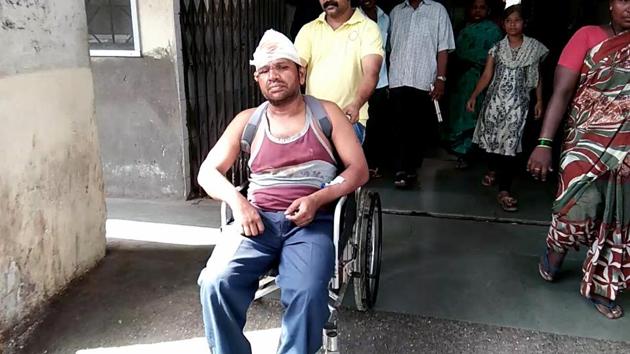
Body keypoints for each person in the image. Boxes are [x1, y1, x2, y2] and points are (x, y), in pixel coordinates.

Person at [196, 29, 369, 354]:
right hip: (255, 221)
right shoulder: (248, 120)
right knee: (215, 282)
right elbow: (207, 171)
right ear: (257, 79)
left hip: (311, 224)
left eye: (282, 67)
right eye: (264, 70)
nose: (272, 76)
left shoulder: (326, 113)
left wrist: (317, 199)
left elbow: (358, 170)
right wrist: (239, 202)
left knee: (306, 292)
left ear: (300, 73)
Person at [530, 0, 630, 320]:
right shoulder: (587, 36)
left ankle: (604, 285)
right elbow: (561, 92)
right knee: (576, 210)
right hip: (583, 144)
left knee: (618, 218)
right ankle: (556, 251)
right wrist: (544, 143)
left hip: (626, 148)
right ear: (610, 4)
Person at [466, 5, 548, 212]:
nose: (512, 24)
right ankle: (493, 169)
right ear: (503, 24)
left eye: (517, 20)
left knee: (511, 145)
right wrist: (474, 96)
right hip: (495, 103)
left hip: (518, 105)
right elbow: (487, 75)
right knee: (493, 142)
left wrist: (539, 100)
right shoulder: (496, 48)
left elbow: (537, 77)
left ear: (524, 23)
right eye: (508, 21)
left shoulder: (533, 48)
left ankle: (504, 190)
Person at [294, 0, 384, 144]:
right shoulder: (308, 30)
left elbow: (371, 72)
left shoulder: (368, 28)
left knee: (343, 166)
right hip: (312, 120)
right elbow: (295, 69)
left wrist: (356, 104)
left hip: (350, 119)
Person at [389, 0, 455, 188]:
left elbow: (443, 48)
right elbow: (388, 48)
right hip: (397, 80)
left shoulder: (438, 10)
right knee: (398, 127)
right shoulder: (396, 12)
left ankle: (411, 169)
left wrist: (441, 79)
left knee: (417, 128)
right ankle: (400, 170)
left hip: (423, 81)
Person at [445, 0, 503, 169]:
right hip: (459, 80)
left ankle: (468, 154)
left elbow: (493, 58)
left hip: (478, 78)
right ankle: (459, 152)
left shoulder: (493, 30)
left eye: (482, 8)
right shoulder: (463, 28)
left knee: (472, 116)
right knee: (456, 115)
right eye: (474, 7)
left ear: (488, 10)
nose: (478, 11)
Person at [359, 0, 390, 177]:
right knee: (358, 122)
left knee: (376, 125)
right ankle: (358, 164)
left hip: (381, 81)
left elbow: (389, 50)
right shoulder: (353, 17)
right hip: (358, 81)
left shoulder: (386, 18)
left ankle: (373, 164)